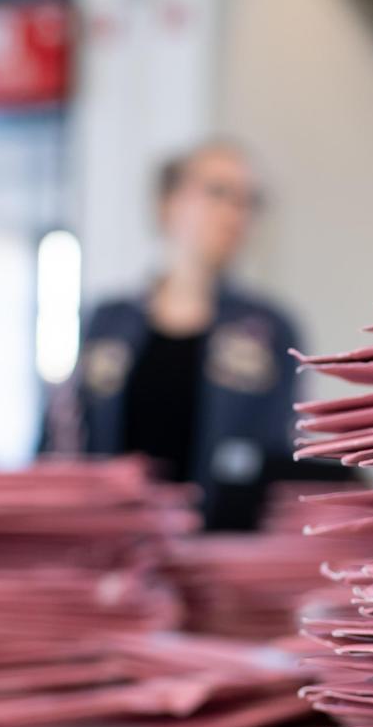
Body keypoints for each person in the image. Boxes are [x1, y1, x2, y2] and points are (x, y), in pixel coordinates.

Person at [45, 140, 318, 531]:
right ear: (168, 203)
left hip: (220, 554)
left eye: (249, 201)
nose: (236, 213)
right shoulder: (107, 323)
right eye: (219, 193)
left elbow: (283, 454)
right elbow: (63, 440)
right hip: (112, 550)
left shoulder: (270, 329)